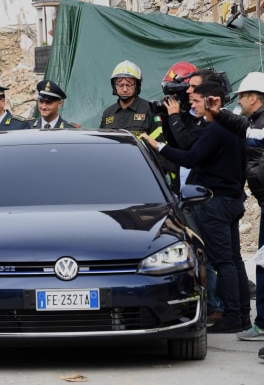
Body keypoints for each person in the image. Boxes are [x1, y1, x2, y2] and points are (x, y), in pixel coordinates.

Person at [141, 81, 250, 334]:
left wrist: (159, 147)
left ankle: (233, 317)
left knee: (223, 262)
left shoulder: (215, 130)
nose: (193, 106)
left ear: (213, 101)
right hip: (232, 199)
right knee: (233, 260)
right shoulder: (234, 128)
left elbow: (191, 157)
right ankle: (242, 314)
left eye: (197, 101)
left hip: (214, 203)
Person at [204, 72, 264, 341]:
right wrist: (218, 113)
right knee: (259, 262)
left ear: (254, 97)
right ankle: (261, 322)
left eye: (241, 96)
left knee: (261, 264)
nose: (238, 100)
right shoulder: (255, 123)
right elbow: (240, 126)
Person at [100, 60, 163, 140]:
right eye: (120, 85)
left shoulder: (150, 109)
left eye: (129, 85)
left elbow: (159, 145)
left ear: (137, 86)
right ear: (114, 86)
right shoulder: (108, 113)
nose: (125, 89)